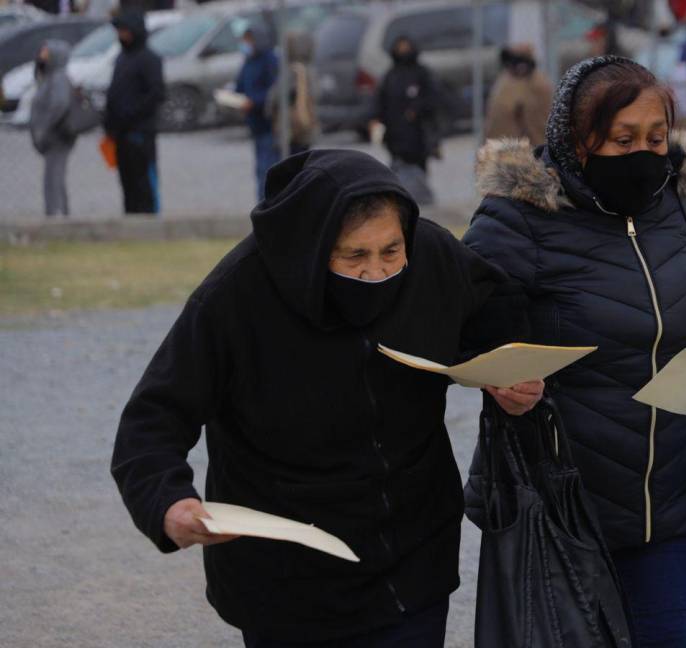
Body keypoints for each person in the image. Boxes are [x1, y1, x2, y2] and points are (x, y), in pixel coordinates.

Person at [110, 149, 544, 647]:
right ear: (314, 249)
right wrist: (168, 502)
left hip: (414, 555)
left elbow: (497, 306)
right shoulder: (237, 295)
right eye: (354, 256)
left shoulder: (431, 254)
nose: (376, 271)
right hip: (287, 576)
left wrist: (508, 371)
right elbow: (152, 419)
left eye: (390, 251)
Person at [464, 56, 686, 647]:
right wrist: (503, 379)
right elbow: (465, 323)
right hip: (563, 499)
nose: (644, 155)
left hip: (666, 499)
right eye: (622, 140)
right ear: (576, 141)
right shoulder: (517, 216)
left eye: (656, 138)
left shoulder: (681, 203)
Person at [104, 9, 165, 215]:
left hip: (140, 134)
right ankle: (130, 224)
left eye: (125, 30)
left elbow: (156, 94)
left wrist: (130, 114)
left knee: (144, 185)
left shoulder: (149, 59)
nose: (121, 35)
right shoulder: (122, 58)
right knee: (127, 186)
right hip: (121, 136)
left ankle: (150, 227)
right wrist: (110, 123)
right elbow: (114, 93)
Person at [371, 36, 442, 205]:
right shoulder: (390, 75)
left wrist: (417, 110)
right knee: (398, 173)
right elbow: (379, 102)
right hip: (395, 137)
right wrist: (375, 121)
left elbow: (434, 100)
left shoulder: (422, 73)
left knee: (418, 175)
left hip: (418, 137)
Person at [29, 40, 76, 217]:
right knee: (53, 177)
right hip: (50, 138)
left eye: (46, 53)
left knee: (54, 178)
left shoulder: (58, 78)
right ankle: (58, 212)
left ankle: (56, 215)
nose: (41, 57)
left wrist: (45, 127)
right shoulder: (48, 77)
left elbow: (60, 104)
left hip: (57, 137)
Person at [235, 23, 280, 199]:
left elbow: (274, 92)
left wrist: (255, 101)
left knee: (267, 168)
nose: (245, 44)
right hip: (255, 124)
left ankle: (266, 205)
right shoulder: (249, 60)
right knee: (260, 168)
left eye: (248, 40)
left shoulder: (270, 60)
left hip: (268, 122)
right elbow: (240, 84)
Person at [484, 44, 553, 147]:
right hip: (497, 148)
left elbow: (538, 125)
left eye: (515, 61)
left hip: (519, 152)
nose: (510, 66)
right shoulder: (506, 80)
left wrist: (539, 154)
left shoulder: (536, 84)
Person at [266, 32, 318, 156]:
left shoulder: (290, 71)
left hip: (291, 128)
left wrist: (269, 111)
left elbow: (275, 97)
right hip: (306, 126)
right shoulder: (310, 70)